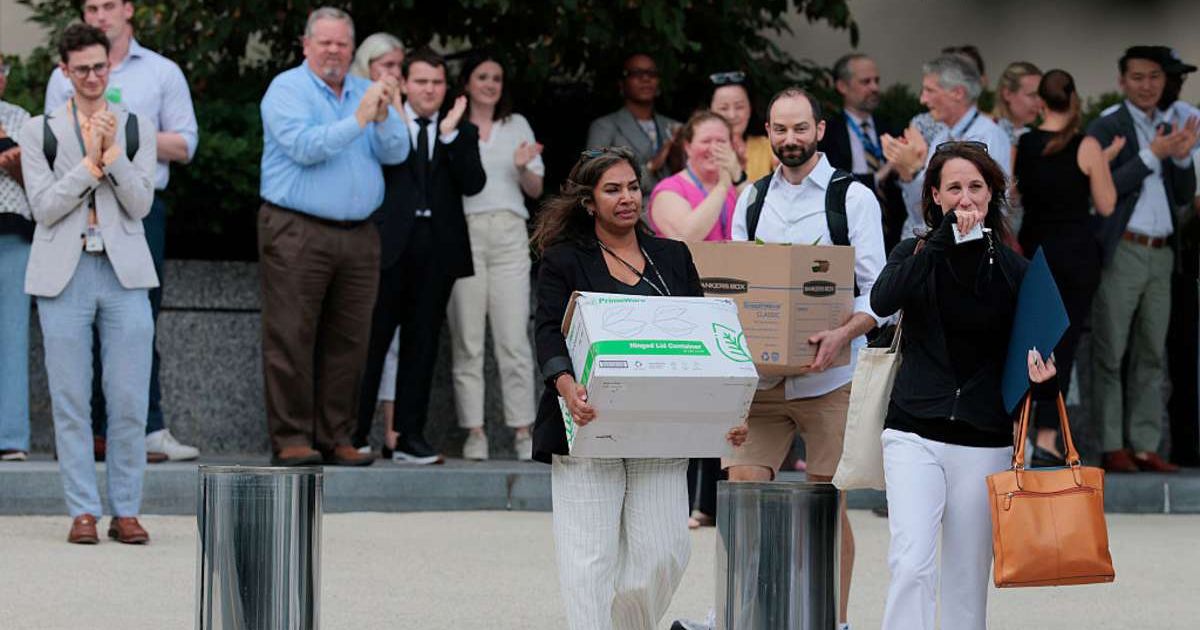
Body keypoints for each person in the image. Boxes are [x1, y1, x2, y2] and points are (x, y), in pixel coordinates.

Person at [530, 145, 745, 630]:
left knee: (664, 552)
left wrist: (727, 410)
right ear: (589, 202)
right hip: (586, 424)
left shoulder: (673, 256)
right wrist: (567, 386)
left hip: (662, 428)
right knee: (589, 560)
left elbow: (704, 337)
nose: (627, 197)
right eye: (613, 190)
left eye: (632, 187)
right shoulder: (564, 259)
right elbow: (547, 330)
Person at [870, 142, 1058, 630]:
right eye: (953, 187)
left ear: (993, 192)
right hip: (913, 430)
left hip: (984, 437)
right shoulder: (914, 251)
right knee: (911, 562)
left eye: (976, 186)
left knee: (966, 579)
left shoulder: (1017, 270)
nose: (966, 197)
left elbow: (1031, 350)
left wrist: (1040, 376)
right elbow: (883, 298)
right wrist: (939, 242)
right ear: (934, 195)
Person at [726, 87, 887, 630]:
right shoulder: (750, 199)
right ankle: (744, 615)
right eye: (779, 130)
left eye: (800, 128)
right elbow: (738, 290)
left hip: (832, 378)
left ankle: (831, 622)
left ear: (820, 130)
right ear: (767, 134)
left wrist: (843, 334)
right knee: (742, 501)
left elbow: (878, 293)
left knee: (824, 508)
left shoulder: (853, 198)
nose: (789, 140)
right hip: (763, 384)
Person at [20, 23, 158, 544]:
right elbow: (45, 207)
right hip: (64, 271)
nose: (93, 76)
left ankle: (126, 510)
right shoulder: (41, 130)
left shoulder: (137, 126)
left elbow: (142, 204)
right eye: (82, 69)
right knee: (70, 397)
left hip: (125, 272)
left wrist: (115, 157)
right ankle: (82, 510)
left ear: (110, 66)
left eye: (101, 66)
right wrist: (89, 165)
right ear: (65, 71)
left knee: (127, 398)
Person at [46, 0, 201, 462]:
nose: (99, 15)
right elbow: (53, 144)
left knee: (139, 318)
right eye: (91, 7)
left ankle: (148, 429)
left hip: (137, 208)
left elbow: (186, 143)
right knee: (79, 317)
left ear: (129, 10)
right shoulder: (62, 77)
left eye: (109, 5)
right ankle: (93, 433)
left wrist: (127, 136)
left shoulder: (161, 72)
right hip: (79, 205)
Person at [259, 7, 410, 467]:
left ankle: (337, 436)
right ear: (306, 45)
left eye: (342, 43)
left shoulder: (366, 90)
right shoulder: (287, 89)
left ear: (352, 48)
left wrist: (381, 118)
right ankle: (291, 438)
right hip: (296, 228)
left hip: (359, 233)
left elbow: (398, 150)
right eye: (324, 42)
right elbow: (305, 148)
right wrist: (360, 120)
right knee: (291, 335)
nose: (333, 51)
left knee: (350, 340)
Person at [355, 48, 485, 464]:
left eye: (437, 82)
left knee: (422, 343)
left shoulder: (459, 131)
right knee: (371, 341)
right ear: (406, 84)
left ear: (446, 88)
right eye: (422, 81)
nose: (429, 90)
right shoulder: (385, 122)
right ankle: (354, 434)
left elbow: (473, 183)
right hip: (389, 244)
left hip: (438, 249)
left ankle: (409, 437)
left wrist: (449, 137)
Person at [1087, 46, 1198, 474]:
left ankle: (1145, 445)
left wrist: (1183, 156)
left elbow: (1185, 196)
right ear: (1122, 81)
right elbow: (1104, 189)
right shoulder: (1108, 124)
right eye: (1138, 77)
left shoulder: (1170, 123)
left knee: (1153, 353)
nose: (1147, 85)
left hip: (1163, 251)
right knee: (1111, 350)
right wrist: (1153, 153)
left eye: (1154, 77)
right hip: (1125, 248)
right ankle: (1112, 445)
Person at [1015, 69, 1120, 465]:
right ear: (1074, 98)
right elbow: (1106, 204)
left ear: (1040, 101)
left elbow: (1018, 193)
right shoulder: (1086, 144)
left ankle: (1026, 432)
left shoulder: (1024, 144)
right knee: (1065, 345)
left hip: (1035, 254)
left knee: (1034, 343)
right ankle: (1046, 435)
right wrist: (1103, 163)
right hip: (1075, 256)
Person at [646, 110, 743, 529]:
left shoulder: (744, 192)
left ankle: (711, 503)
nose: (713, 150)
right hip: (681, 311)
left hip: (730, 311)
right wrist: (724, 185)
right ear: (686, 146)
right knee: (684, 409)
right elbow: (687, 235)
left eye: (722, 141)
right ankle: (679, 502)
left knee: (724, 408)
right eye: (705, 141)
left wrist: (734, 185)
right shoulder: (671, 189)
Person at [446, 52, 542, 461]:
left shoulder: (516, 124)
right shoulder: (451, 124)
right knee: (467, 338)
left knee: (513, 337)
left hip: (508, 232)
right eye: (482, 76)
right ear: (466, 82)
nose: (490, 84)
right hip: (463, 231)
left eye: (497, 77)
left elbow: (536, 189)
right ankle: (475, 432)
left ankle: (523, 432)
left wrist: (522, 168)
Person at [882, 55, 1011, 240]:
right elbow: (923, 210)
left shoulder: (989, 136)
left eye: (929, 90)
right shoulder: (941, 138)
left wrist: (915, 170)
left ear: (958, 93)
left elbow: (997, 206)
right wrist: (908, 172)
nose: (923, 100)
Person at [348, 32, 405, 455]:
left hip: (393, 237)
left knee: (392, 346)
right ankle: (349, 431)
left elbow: (403, 155)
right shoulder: (351, 100)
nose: (394, 75)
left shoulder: (396, 109)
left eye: (398, 67)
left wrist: (396, 109)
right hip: (359, 230)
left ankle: (390, 432)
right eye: (386, 66)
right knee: (357, 339)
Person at [821, 53, 907, 251]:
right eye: (865, 82)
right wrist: (879, 175)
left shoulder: (891, 128)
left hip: (891, 236)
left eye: (876, 81)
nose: (874, 88)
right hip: (847, 233)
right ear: (842, 86)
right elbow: (832, 183)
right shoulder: (828, 133)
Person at [586, 53, 681, 192]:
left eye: (652, 73)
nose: (646, 78)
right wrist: (651, 167)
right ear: (621, 84)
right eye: (636, 73)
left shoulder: (675, 126)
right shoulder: (603, 127)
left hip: (678, 209)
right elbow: (593, 176)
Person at [0, 59, 32, 462]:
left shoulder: (21, 118)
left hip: (13, 233)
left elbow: (35, 176)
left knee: (12, 334)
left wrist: (8, 144)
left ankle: (10, 436)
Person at [708, 71, 774, 181]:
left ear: (750, 108)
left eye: (739, 107)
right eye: (723, 108)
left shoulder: (768, 147)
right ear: (709, 111)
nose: (732, 115)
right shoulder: (701, 149)